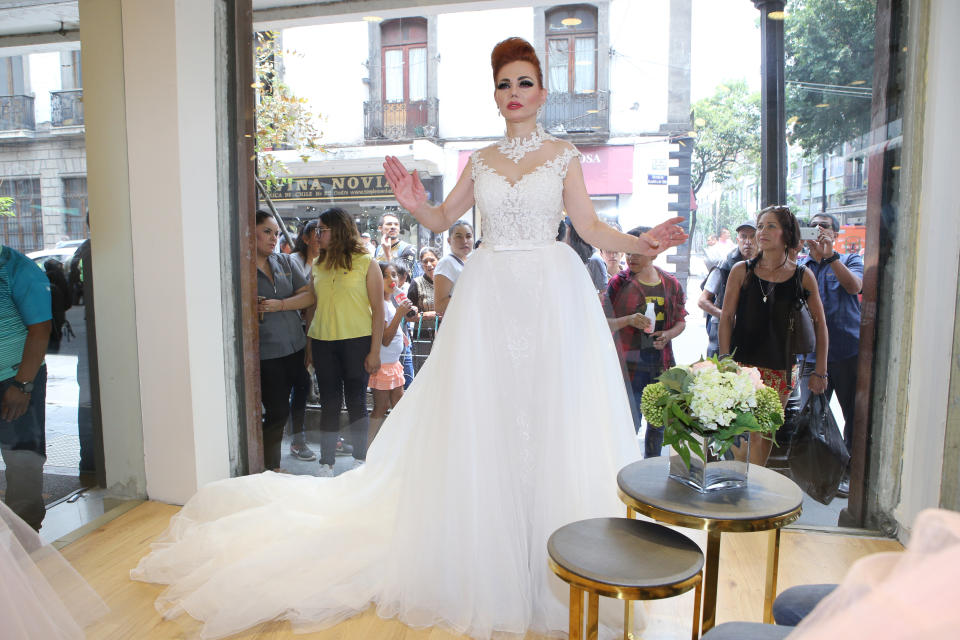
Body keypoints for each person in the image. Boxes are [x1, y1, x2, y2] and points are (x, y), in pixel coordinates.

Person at [132, 37, 686, 639]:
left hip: (551, 296)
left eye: (525, 82)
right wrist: (415, 204)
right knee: (488, 415)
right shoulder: (480, 160)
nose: (514, 93)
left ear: (542, 92)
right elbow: (445, 220)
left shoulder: (564, 155)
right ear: (495, 95)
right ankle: (488, 549)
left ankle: (553, 547)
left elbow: (589, 225)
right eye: (504, 84)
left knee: (550, 414)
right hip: (492, 295)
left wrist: (642, 243)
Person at [719, 205, 828, 466]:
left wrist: (820, 370)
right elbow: (726, 317)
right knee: (737, 430)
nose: (762, 232)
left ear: (786, 234)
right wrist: (724, 359)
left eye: (771, 226)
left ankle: (752, 486)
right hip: (742, 364)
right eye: (760, 226)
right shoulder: (741, 271)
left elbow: (820, 324)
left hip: (781, 368)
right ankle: (736, 479)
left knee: (764, 432)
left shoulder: (803, 276)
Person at [304, 207, 384, 476]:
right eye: (317, 230)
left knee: (357, 401)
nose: (317, 235)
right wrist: (309, 347)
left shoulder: (366, 262)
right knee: (329, 402)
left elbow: (378, 309)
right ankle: (326, 462)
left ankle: (360, 461)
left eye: (321, 230)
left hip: (357, 342)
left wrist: (375, 352)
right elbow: (313, 306)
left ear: (337, 230)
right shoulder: (317, 264)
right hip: (323, 341)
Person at [603, 227, 687, 457]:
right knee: (629, 424)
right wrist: (628, 320)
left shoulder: (671, 284)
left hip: (660, 365)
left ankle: (651, 471)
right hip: (627, 367)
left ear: (654, 253)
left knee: (658, 425)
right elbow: (602, 323)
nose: (631, 257)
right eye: (628, 251)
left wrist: (668, 335)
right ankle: (625, 472)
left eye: (637, 251)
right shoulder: (618, 284)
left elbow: (681, 321)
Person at [255, 211, 317, 470]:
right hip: (266, 351)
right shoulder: (241, 267)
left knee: (304, 386)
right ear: (251, 232)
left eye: (276, 233)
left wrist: (280, 305)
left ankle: (293, 443)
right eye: (267, 232)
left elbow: (308, 297)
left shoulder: (284, 262)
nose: (273, 238)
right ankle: (271, 466)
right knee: (278, 410)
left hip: (295, 344)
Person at [0, 244, 52, 531]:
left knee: (22, 463)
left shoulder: (16, 268)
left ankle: (26, 544)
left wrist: (22, 384)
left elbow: (40, 329)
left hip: (15, 380)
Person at [368, 262, 415, 446]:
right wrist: (400, 315)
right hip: (383, 366)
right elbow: (384, 339)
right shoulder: (379, 304)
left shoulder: (390, 302)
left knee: (399, 405)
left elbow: (392, 332)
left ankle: (399, 446)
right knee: (381, 408)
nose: (391, 279)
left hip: (393, 364)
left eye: (394, 275)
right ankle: (369, 448)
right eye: (385, 275)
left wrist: (401, 333)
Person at [699, 221, 757, 357]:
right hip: (722, 332)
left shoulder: (764, 267)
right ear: (737, 240)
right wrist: (725, 316)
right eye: (743, 236)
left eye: (752, 236)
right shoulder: (724, 266)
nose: (747, 241)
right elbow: (702, 301)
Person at [407, 246, 439, 372]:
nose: (429, 264)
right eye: (425, 261)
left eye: (432, 260)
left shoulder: (447, 281)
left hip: (446, 335)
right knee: (424, 371)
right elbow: (408, 316)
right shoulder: (416, 283)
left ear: (439, 260)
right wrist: (429, 315)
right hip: (424, 337)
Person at [433, 219, 473, 317]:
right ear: (449, 240)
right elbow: (439, 306)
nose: (465, 241)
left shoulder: (471, 260)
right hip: (458, 320)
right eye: (459, 237)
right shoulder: (447, 263)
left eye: (468, 236)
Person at [374, 212, 419, 277]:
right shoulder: (378, 248)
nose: (393, 227)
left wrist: (387, 254)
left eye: (396, 224)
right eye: (389, 224)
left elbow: (404, 277)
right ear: (380, 228)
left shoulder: (408, 249)